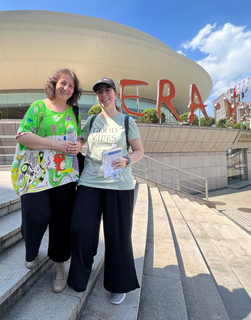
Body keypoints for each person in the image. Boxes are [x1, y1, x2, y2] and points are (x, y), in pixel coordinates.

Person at [67, 77, 144, 305]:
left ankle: (118, 284)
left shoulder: (126, 120)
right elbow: (81, 141)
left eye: (108, 90)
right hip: (90, 182)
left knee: (118, 235)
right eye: (99, 92)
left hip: (118, 186)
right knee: (80, 227)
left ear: (115, 94)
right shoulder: (91, 120)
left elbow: (139, 150)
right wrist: (76, 145)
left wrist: (127, 159)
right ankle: (81, 275)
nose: (104, 95)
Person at [11, 68, 83, 293]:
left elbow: (78, 136)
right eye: (63, 83)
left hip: (65, 175)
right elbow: (23, 135)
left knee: (62, 221)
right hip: (38, 173)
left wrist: (78, 144)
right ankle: (31, 249)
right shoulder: (38, 107)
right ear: (54, 84)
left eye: (71, 85)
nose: (66, 88)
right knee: (36, 214)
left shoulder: (74, 111)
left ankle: (60, 264)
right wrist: (55, 144)